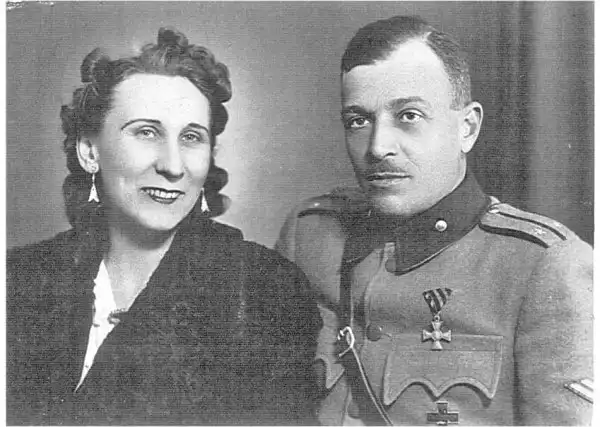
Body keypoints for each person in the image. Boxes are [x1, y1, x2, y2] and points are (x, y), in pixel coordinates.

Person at [276, 15, 593, 426]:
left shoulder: (543, 266)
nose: (378, 147)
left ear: (467, 128)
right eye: (358, 120)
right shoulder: (309, 235)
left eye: (408, 116)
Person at [7, 27, 319, 425]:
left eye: (191, 137)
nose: (173, 165)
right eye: (146, 132)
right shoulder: (20, 279)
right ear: (89, 151)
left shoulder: (266, 291)